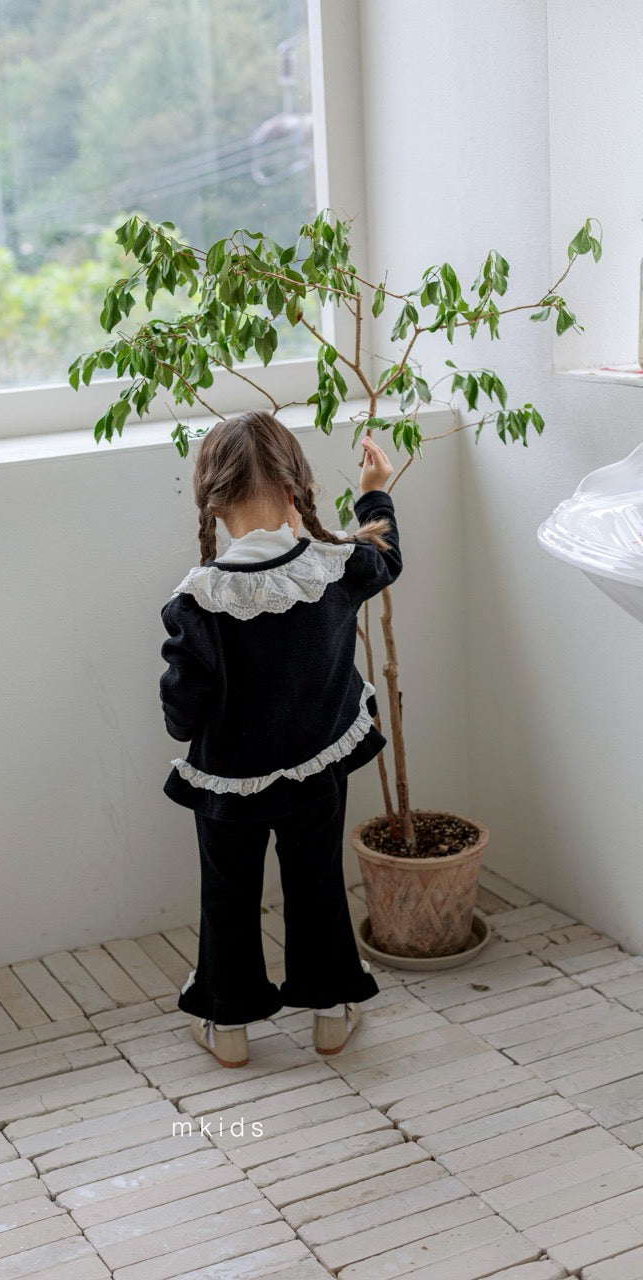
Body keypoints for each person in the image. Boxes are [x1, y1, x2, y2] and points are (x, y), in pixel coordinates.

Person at [158, 409, 402, 1067]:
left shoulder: (197, 601)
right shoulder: (333, 567)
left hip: (227, 787)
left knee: (228, 896)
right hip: (316, 774)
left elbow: (181, 714)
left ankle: (228, 1027)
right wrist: (374, 491)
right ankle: (330, 1015)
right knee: (317, 883)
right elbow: (387, 559)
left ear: (213, 503)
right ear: (296, 488)